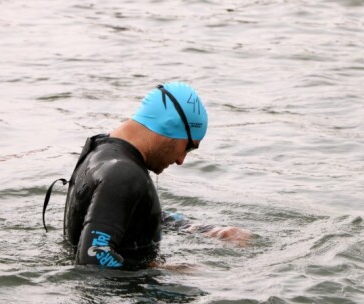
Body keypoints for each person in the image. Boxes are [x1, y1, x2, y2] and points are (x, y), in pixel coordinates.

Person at [46, 82, 250, 269]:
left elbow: (128, 214)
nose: (181, 160)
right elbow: (93, 259)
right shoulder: (122, 173)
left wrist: (203, 229)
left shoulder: (101, 151)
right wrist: (163, 270)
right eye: (188, 147)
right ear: (169, 127)